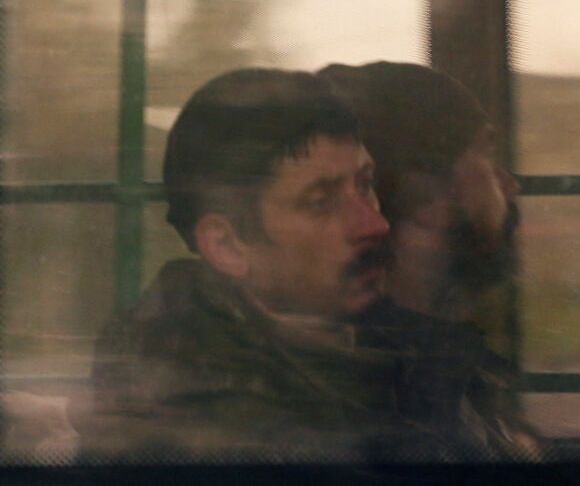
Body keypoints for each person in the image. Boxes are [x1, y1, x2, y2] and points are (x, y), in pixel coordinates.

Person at [74, 68, 479, 461]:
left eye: (365, 185)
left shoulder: (393, 339)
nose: (375, 224)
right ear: (228, 247)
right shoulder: (200, 410)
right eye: (321, 203)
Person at [319, 61, 543, 461]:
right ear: (433, 192)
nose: (509, 184)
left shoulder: (435, 367)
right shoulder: (408, 404)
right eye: (485, 154)